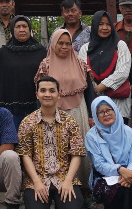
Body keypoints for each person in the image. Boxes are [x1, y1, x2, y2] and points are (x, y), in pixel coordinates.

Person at [16, 76, 86, 209]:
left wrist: (68, 181)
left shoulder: (70, 121)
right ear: (37, 95)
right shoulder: (28, 122)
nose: (47, 94)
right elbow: (25, 154)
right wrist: (36, 182)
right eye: (43, 91)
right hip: (38, 178)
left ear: (59, 94)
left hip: (64, 177)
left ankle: (62, 204)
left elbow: (76, 153)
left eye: (52, 91)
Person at [37, 28, 93, 175]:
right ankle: (59, 185)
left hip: (78, 110)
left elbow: (89, 90)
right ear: (53, 44)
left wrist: (91, 115)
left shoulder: (80, 63)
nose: (64, 47)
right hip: (53, 112)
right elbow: (40, 91)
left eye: (68, 44)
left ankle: (83, 186)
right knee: (56, 147)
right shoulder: (45, 65)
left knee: (79, 147)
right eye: (60, 43)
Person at [0, 15, 46, 124]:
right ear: (12, 29)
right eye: (17, 27)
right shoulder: (4, 52)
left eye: (24, 26)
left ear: (29, 29)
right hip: (12, 108)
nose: (21, 29)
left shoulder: (41, 51)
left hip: (37, 105)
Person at [81, 10, 132, 121]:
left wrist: (99, 88)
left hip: (118, 104)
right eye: (100, 24)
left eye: (108, 24)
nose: (105, 28)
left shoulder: (120, 45)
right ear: (94, 26)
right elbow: (83, 73)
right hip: (95, 104)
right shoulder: (86, 48)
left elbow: (123, 72)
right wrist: (95, 90)